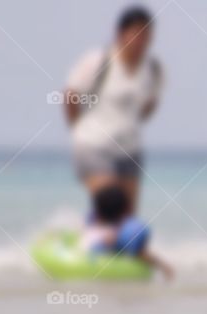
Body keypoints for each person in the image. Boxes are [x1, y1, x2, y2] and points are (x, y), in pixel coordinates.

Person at [64, 6, 163, 212]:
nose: (140, 41)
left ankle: (112, 240)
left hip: (129, 149)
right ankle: (88, 237)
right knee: (110, 207)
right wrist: (77, 128)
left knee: (128, 217)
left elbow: (148, 106)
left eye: (146, 35)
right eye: (136, 33)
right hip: (94, 146)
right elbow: (71, 95)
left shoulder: (152, 68)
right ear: (120, 33)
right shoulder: (98, 61)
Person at [82, 184, 174, 279]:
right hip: (106, 262)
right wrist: (164, 267)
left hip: (91, 261)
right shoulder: (128, 231)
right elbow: (141, 254)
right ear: (126, 209)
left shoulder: (91, 223)